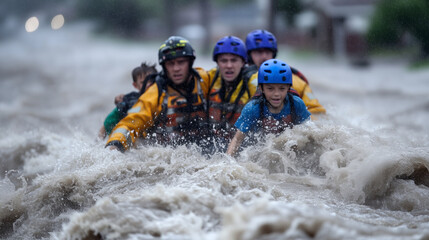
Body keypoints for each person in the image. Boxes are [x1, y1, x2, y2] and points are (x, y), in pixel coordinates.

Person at [105, 36, 211, 152]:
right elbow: (131, 123)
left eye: (181, 62)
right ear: (164, 66)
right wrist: (116, 144)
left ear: (190, 62)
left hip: (205, 148)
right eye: (170, 64)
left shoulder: (205, 80)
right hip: (168, 153)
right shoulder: (155, 93)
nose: (176, 68)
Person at [226, 59, 311, 156]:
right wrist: (228, 162)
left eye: (282, 88)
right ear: (261, 88)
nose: (276, 94)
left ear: (288, 88)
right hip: (260, 149)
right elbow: (237, 139)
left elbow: (309, 133)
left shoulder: (297, 104)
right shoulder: (252, 108)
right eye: (270, 88)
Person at [245, 29, 326, 115]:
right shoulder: (238, 81)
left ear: (274, 54)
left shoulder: (297, 82)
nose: (264, 56)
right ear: (249, 55)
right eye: (259, 52)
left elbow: (317, 112)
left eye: (268, 52)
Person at [207, 36, 258, 149]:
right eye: (224, 61)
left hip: (245, 146)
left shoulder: (254, 80)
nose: (229, 65)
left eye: (234, 60)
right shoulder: (210, 78)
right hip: (214, 144)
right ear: (217, 62)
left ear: (243, 62)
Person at [98, 63, 157, 139]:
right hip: (131, 131)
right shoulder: (130, 99)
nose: (148, 84)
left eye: (151, 81)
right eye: (143, 82)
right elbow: (109, 121)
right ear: (135, 85)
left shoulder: (163, 96)